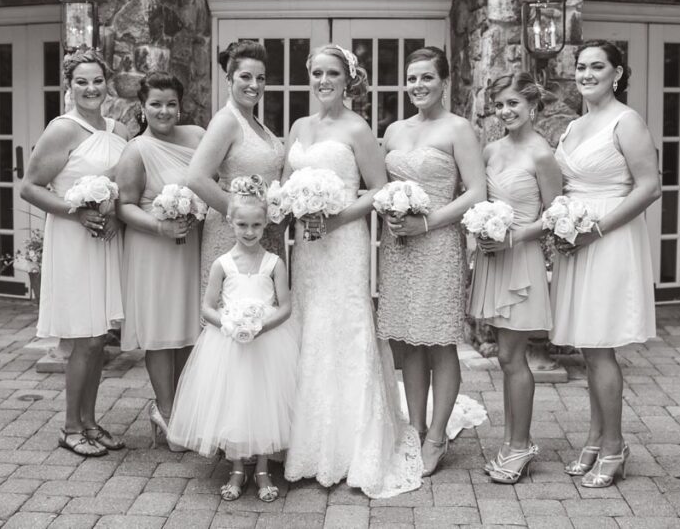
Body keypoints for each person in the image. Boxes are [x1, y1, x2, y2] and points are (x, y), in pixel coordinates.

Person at [283, 44, 423, 498]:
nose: (323, 81)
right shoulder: (299, 126)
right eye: (317, 73)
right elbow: (285, 184)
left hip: (343, 241)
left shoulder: (358, 128)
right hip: (307, 246)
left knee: (343, 326)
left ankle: (349, 446)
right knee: (308, 324)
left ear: (348, 80)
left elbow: (379, 190)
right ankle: (304, 440)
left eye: (332, 73)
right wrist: (292, 205)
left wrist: (334, 218)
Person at [550, 40, 661, 488]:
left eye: (597, 66)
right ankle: (596, 439)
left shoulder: (626, 121)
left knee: (600, 346)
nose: (587, 74)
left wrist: (595, 230)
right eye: (581, 66)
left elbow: (649, 187)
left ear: (617, 73)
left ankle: (614, 447)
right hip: (576, 238)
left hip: (609, 238)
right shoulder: (574, 125)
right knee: (588, 346)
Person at [377, 46, 487, 476]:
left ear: (444, 82)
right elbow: (382, 187)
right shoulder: (393, 130)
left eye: (426, 77)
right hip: (399, 247)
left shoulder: (458, 128)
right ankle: (416, 428)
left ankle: (437, 436)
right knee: (409, 341)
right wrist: (390, 214)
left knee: (440, 341)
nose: (418, 85)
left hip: (439, 243)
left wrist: (426, 224)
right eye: (412, 78)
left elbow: (475, 191)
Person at [20, 49, 130, 457]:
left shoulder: (119, 129)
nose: (91, 88)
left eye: (97, 80)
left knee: (99, 339)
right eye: (82, 81)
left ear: (107, 84)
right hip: (73, 239)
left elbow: (126, 184)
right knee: (84, 338)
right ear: (69, 86)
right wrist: (75, 211)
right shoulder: (62, 130)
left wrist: (117, 215)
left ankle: (90, 422)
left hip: (106, 240)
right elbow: (30, 187)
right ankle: (70, 428)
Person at [167, 176, 300, 503]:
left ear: (266, 223)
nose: (249, 231)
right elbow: (207, 308)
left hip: (266, 346)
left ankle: (263, 469)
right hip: (229, 347)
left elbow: (285, 308)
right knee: (234, 404)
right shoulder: (222, 264)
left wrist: (261, 327)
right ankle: (237, 468)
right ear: (230, 222)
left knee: (264, 403)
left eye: (256, 225)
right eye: (242, 224)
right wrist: (229, 324)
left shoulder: (274, 264)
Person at [468, 70, 563, 484]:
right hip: (493, 258)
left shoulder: (542, 155)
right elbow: (480, 200)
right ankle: (511, 442)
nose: (505, 111)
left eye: (513, 103)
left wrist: (515, 236)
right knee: (506, 358)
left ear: (532, 105)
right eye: (499, 105)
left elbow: (555, 215)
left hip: (521, 259)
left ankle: (520, 445)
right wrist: (480, 228)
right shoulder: (490, 150)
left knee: (512, 357)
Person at [114, 74, 204, 449]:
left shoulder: (197, 137)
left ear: (180, 106)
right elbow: (124, 206)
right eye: (156, 104)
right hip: (153, 247)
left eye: (171, 104)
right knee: (161, 332)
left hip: (190, 246)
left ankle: (184, 407)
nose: (164, 111)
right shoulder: (136, 151)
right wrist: (159, 226)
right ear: (143, 107)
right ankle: (165, 411)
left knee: (188, 329)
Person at [187, 41, 285, 296]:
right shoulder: (226, 121)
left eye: (261, 78)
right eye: (246, 76)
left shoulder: (255, 122)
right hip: (233, 237)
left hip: (265, 237)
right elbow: (196, 177)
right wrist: (243, 217)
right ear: (229, 79)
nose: (254, 84)